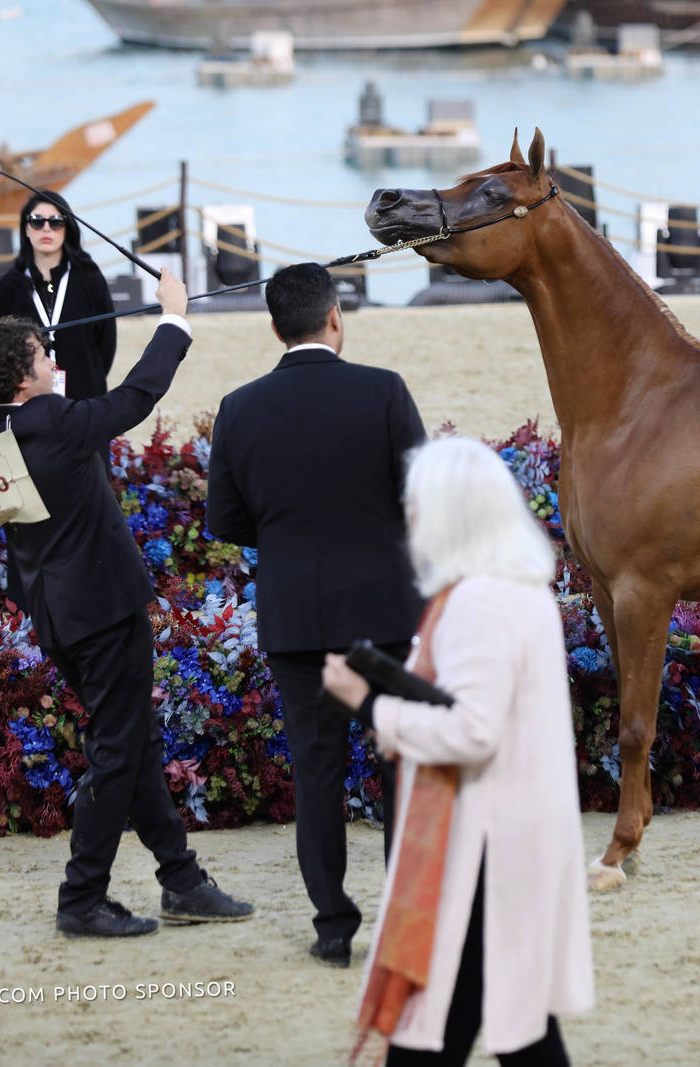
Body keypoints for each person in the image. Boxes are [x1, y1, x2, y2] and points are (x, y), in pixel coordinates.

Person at [0, 269, 253, 937]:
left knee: (133, 740)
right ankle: (81, 896)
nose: (54, 362)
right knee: (118, 750)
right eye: (40, 356)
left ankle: (181, 880)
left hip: (56, 614)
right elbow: (136, 395)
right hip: (102, 611)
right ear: (21, 380)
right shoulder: (54, 422)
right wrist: (174, 318)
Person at [322, 437, 594, 1066]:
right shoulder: (518, 589)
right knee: (512, 1025)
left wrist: (366, 703)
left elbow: (473, 731)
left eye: (417, 506)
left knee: (452, 1026)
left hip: (484, 842)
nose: (410, 520)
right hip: (511, 835)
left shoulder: (477, 600)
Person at [206, 262, 426, 967]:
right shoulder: (382, 390)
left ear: (274, 327)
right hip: (384, 609)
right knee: (400, 764)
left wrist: (288, 536)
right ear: (336, 318)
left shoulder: (240, 407)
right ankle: (403, 918)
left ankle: (333, 926)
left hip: (295, 613)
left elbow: (225, 517)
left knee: (316, 773)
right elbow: (421, 494)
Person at [0, 190, 117, 400]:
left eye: (56, 222)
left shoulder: (90, 277)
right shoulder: (8, 285)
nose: (46, 228)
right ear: (26, 229)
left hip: (86, 398)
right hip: (29, 402)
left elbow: (106, 343)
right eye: (37, 221)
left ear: (67, 228)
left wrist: (91, 376)